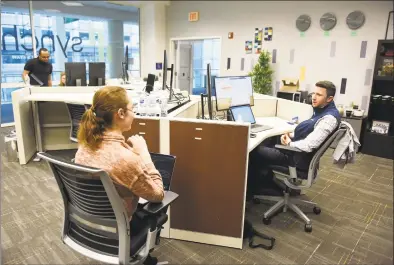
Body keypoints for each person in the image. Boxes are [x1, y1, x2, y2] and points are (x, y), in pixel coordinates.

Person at [74, 86, 164, 234]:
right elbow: (157, 195)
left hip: (88, 223)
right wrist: (144, 154)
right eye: (132, 109)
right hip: (120, 229)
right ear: (121, 113)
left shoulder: (83, 148)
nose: (134, 114)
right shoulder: (127, 159)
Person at [247, 80, 341, 195]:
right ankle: (267, 182)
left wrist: (289, 144)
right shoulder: (322, 110)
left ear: (329, 99)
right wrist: (291, 135)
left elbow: (309, 145)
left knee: (253, 151)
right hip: (297, 155)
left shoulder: (329, 119)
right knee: (267, 141)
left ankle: (254, 189)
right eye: (314, 93)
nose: (314, 97)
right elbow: (311, 132)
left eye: (319, 95)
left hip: (296, 160)